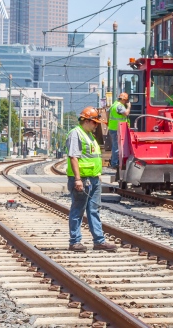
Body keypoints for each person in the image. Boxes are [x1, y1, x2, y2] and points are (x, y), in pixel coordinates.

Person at [66, 107, 117, 252]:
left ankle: (99, 241)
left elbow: (92, 157)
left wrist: (97, 175)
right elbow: (74, 157)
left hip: (93, 179)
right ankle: (75, 242)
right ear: (87, 121)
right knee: (78, 210)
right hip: (81, 179)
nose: (96, 126)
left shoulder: (89, 135)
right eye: (94, 123)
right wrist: (77, 179)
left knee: (94, 210)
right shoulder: (76, 134)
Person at [108, 92, 130, 168]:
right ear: (123, 100)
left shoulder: (114, 104)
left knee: (116, 146)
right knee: (117, 147)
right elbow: (126, 113)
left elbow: (107, 113)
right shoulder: (120, 106)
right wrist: (129, 107)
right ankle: (115, 163)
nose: (126, 102)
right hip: (117, 129)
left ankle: (114, 162)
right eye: (126, 101)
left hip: (114, 128)